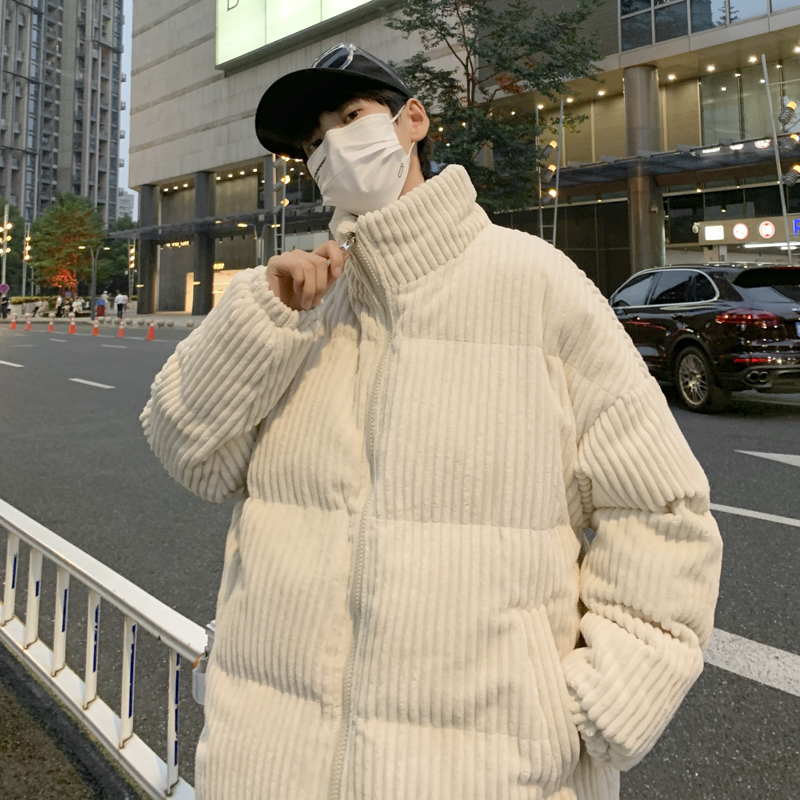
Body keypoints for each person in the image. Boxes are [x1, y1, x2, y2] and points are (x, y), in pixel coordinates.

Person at [142, 44, 723, 800]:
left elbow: (664, 514)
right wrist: (261, 316)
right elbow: (188, 450)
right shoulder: (301, 304)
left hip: (487, 777)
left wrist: (586, 716)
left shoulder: (537, 284)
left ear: (412, 119)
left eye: (350, 118)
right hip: (272, 770)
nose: (330, 151)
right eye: (312, 144)